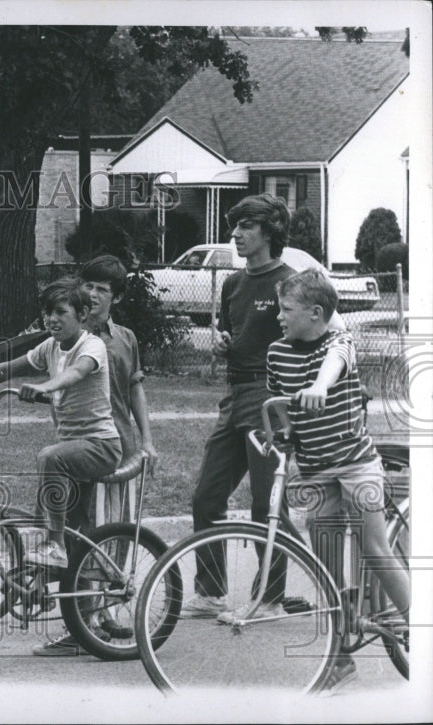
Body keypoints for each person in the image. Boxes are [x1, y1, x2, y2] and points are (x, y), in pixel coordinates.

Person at [182, 193, 346, 619]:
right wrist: (223, 347)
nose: (235, 234)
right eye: (234, 226)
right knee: (205, 497)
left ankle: (271, 598)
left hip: (270, 398)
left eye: (245, 227)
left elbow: (333, 334)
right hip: (235, 397)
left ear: (269, 232)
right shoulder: (234, 284)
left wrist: (317, 385)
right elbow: (239, 335)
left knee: (264, 505)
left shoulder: (292, 280)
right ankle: (211, 591)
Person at [260, 269, 410, 691]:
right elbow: (280, 405)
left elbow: (333, 365)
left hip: (355, 464)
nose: (279, 317)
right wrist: (283, 429)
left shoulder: (338, 342)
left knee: (375, 548)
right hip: (314, 469)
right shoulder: (276, 353)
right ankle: (339, 661)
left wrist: (320, 387)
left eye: (286, 310)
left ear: (316, 313)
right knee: (327, 571)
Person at [0, 277, 122, 571]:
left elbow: (77, 372)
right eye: (47, 313)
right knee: (57, 517)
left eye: (61, 312)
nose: (52, 319)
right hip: (72, 448)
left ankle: (56, 547)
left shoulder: (93, 346)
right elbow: (3, 371)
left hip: (101, 446)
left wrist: (46, 387)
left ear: (82, 315)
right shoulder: (50, 346)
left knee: (49, 458)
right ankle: (47, 585)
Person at [32, 253, 158, 656]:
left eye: (102, 289)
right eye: (88, 286)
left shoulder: (124, 339)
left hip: (113, 445)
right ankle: (80, 615)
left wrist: (148, 439)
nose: (93, 294)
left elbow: (136, 388)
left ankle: (94, 615)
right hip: (78, 445)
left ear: (114, 298)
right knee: (73, 526)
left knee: (103, 529)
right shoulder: (65, 334)